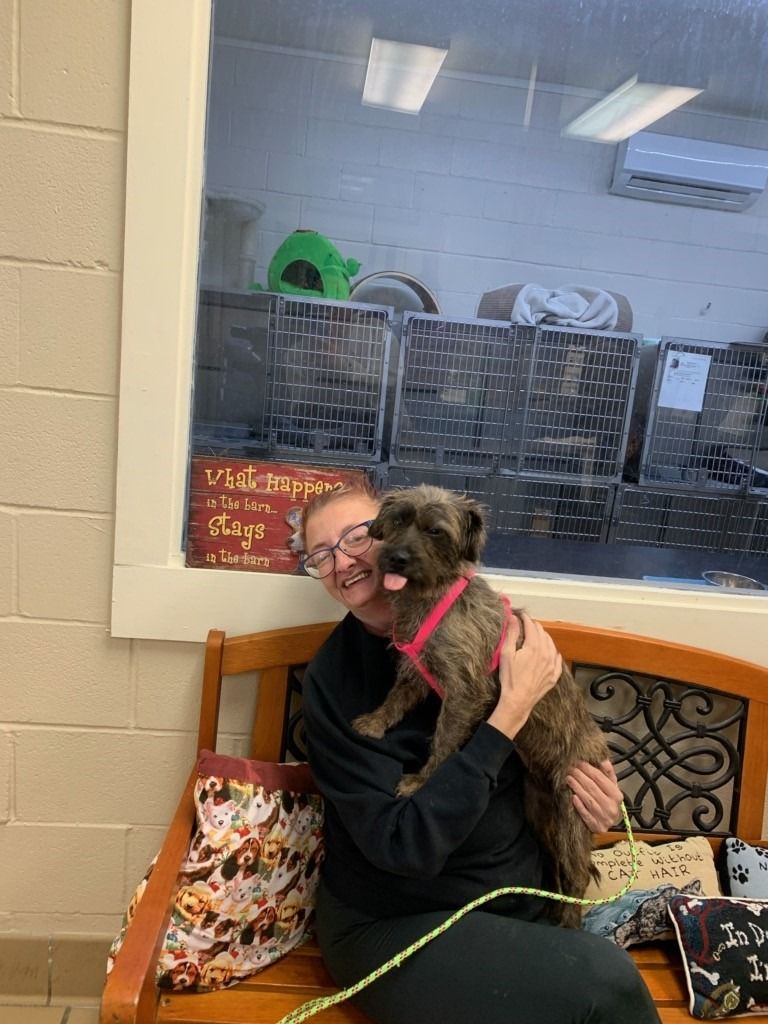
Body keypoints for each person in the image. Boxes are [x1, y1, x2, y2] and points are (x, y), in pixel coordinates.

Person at [299, 480, 661, 1024]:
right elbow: (405, 847)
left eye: (356, 537)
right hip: (404, 922)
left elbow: (551, 746)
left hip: (515, 901)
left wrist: (595, 801)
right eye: (321, 555)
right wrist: (508, 712)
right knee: (607, 981)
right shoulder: (334, 680)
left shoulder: (476, 625)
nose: (344, 561)